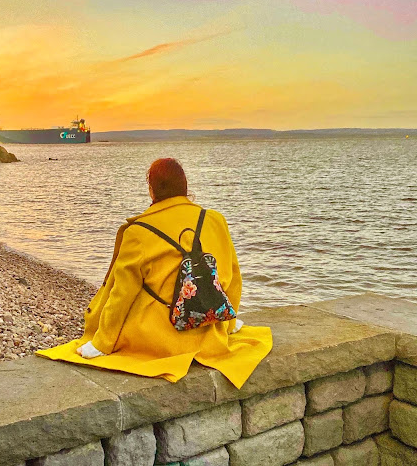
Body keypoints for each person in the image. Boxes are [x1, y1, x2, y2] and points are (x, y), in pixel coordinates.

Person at [37, 158, 272, 388]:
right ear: (185, 187)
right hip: (209, 331)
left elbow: (122, 295)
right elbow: (232, 277)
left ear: (152, 191)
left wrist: (102, 343)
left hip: (162, 340)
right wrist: (227, 325)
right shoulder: (214, 220)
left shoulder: (138, 231)